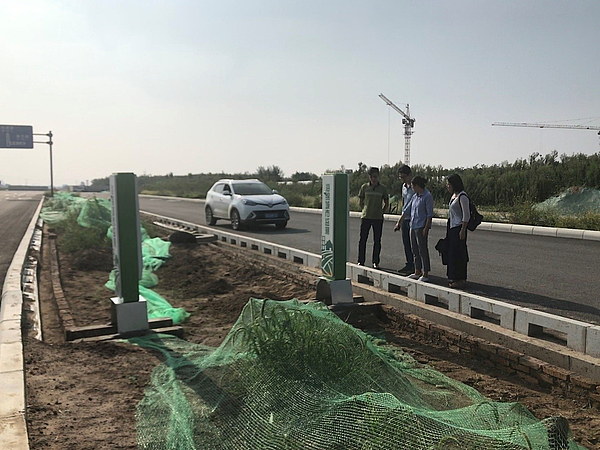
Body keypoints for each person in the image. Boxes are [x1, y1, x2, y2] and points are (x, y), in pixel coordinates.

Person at [395, 176, 433, 281]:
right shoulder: (415, 196)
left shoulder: (427, 196)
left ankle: (425, 273)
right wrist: (399, 222)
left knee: (422, 250)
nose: (412, 188)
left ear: (417, 185)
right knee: (415, 250)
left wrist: (426, 228)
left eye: (413, 186)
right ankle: (417, 270)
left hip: (421, 226)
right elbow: (407, 210)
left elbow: (429, 214)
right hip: (413, 225)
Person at [358, 166, 389, 269]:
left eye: (375, 176)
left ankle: (375, 261)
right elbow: (360, 202)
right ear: (369, 177)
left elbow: (386, 202)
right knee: (363, 239)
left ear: (378, 176)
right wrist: (365, 209)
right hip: (366, 217)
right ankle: (361, 261)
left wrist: (381, 211)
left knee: (377, 240)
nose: (373, 179)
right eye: (371, 177)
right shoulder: (364, 187)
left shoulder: (383, 188)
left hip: (378, 218)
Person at [445, 174, 470, 288]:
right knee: (452, 253)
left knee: (459, 253)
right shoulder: (453, 196)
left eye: (449, 184)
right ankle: (453, 277)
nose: (447, 186)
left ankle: (460, 278)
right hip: (452, 227)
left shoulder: (462, 196)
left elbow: (466, 215)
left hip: (459, 227)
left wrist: (463, 230)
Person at [393, 165, 415, 274]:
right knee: (406, 242)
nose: (402, 179)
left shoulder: (415, 188)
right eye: (400, 177)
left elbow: (410, 206)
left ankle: (417, 266)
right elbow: (404, 201)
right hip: (405, 218)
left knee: (414, 244)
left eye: (404, 177)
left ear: (410, 175)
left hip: (413, 218)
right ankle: (409, 264)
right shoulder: (404, 187)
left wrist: (399, 221)